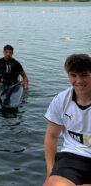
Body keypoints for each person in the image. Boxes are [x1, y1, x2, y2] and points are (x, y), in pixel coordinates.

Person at [43, 54, 91, 186]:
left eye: (84, 75)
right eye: (73, 75)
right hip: (73, 155)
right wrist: (50, 172)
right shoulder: (61, 100)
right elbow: (51, 136)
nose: (79, 81)